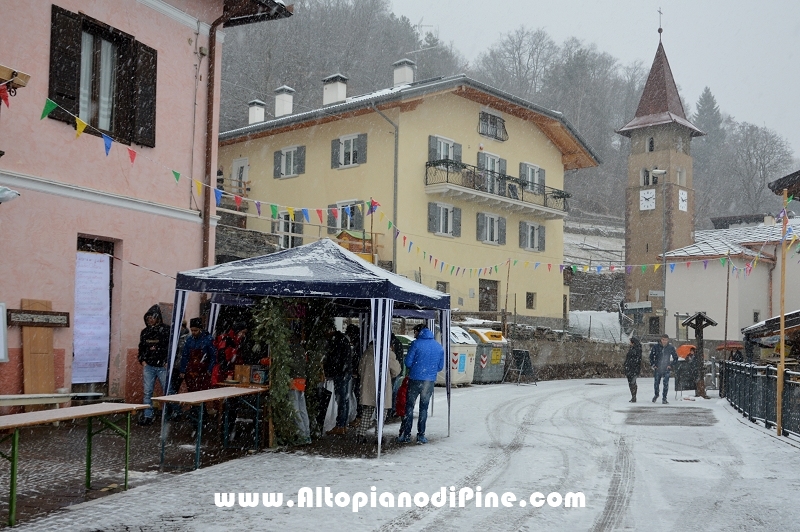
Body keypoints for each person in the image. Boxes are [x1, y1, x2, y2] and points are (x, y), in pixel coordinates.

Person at [398, 324, 444, 444]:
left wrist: (416, 367)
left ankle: (406, 434)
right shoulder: (438, 347)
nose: (414, 334)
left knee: (409, 407)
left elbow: (407, 362)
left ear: (419, 332)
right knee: (424, 408)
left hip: (415, 379)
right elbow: (440, 367)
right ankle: (421, 435)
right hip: (429, 381)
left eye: (415, 332)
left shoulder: (415, 344)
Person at [356, 340, 401, 443]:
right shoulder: (388, 354)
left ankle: (361, 435)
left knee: (367, 412)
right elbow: (396, 370)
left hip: (368, 387)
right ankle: (378, 436)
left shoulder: (367, 353)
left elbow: (360, 369)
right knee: (381, 413)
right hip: (383, 387)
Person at [137, 305, 171, 425]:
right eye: (148, 318)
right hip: (149, 366)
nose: (150, 320)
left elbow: (170, 348)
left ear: (158, 317)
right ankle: (148, 416)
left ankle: (168, 415)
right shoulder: (145, 332)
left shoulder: (166, 330)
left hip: (162, 366)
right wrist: (142, 360)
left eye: (152, 317)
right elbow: (141, 347)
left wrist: (167, 361)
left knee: (167, 391)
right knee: (148, 392)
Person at [323, 325, 353, 435]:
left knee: (341, 399)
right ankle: (343, 424)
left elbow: (335, 359)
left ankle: (340, 425)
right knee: (344, 399)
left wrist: (329, 370)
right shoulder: (343, 340)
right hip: (345, 372)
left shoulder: (337, 342)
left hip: (341, 373)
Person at [180, 318, 216, 392]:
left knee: (203, 392)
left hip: (204, 371)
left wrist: (210, 369)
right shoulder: (189, 340)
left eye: (195, 330)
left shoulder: (208, 340)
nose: (193, 332)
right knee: (192, 392)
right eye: (192, 330)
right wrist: (183, 370)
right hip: (191, 372)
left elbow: (213, 356)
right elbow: (185, 355)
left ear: (200, 329)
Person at [288, 330, 311, 445]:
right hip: (302, 381)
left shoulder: (291, 350)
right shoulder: (302, 350)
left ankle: (302, 435)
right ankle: (307, 435)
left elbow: (289, 364)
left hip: (294, 381)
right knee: (303, 409)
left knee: (295, 410)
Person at [650, 334, 678, 404]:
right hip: (658, 367)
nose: (664, 341)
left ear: (668, 340)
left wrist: (671, 365)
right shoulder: (656, 347)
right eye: (663, 340)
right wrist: (653, 365)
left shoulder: (670, 347)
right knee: (656, 383)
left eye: (665, 340)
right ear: (661, 340)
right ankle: (656, 394)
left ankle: (664, 398)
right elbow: (651, 357)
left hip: (666, 368)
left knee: (666, 384)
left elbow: (675, 358)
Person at [624, 337, 642, 402]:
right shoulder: (634, 349)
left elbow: (635, 359)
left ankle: (634, 397)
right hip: (631, 368)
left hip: (633, 368)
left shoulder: (636, 349)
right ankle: (633, 396)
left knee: (632, 383)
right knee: (631, 383)